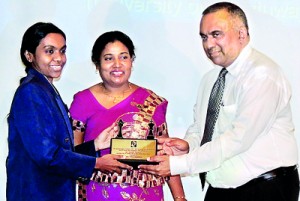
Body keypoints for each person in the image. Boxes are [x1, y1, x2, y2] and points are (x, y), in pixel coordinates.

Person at [139, 2, 299, 201]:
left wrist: (178, 165)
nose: (208, 44)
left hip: (265, 188)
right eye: (204, 37)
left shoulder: (262, 74)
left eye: (216, 34)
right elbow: (201, 128)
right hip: (221, 188)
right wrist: (187, 146)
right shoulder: (211, 79)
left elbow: (238, 138)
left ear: (242, 34)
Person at [6, 22, 131, 201]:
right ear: (29, 55)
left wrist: (94, 145)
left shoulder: (45, 89)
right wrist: (96, 163)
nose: (59, 58)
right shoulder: (31, 92)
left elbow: (59, 150)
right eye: (50, 51)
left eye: (62, 51)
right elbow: (47, 155)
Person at [69, 30, 186, 201]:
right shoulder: (83, 101)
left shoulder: (152, 101)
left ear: (132, 61)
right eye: (108, 58)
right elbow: (71, 157)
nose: (117, 64)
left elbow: (166, 155)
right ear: (97, 64)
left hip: (146, 194)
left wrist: (180, 197)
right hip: (97, 193)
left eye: (123, 57)